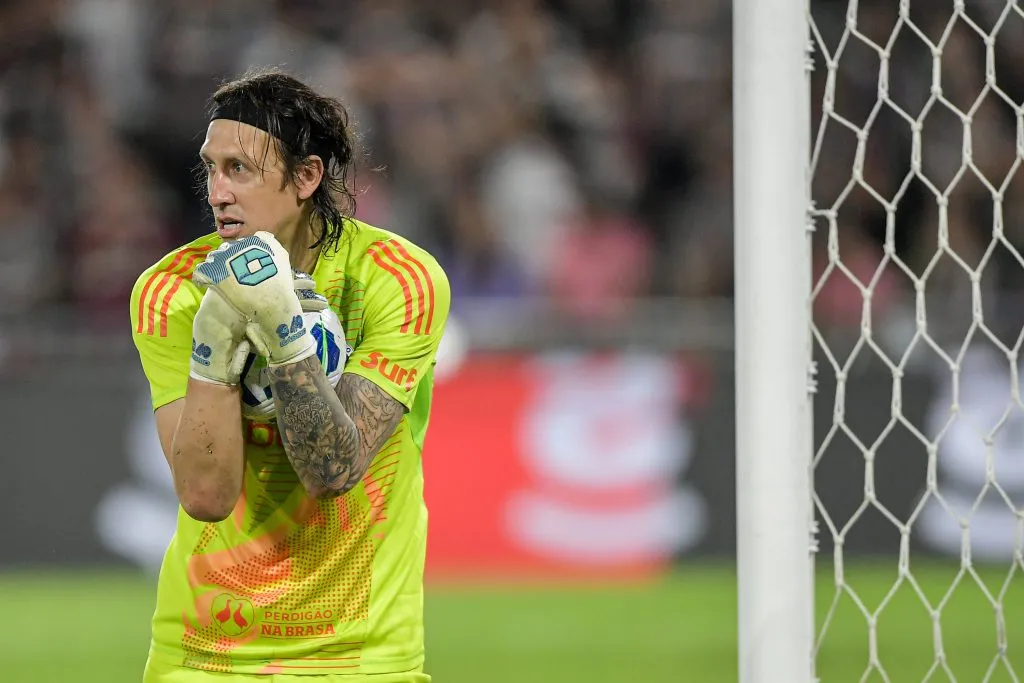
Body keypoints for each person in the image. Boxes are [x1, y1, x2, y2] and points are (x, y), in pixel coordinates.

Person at [129, 68, 450, 683]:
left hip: (363, 656)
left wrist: (283, 332)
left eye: (240, 170)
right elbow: (205, 496)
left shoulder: (398, 280)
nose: (217, 192)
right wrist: (212, 351)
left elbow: (333, 470)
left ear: (306, 177)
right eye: (211, 168)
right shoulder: (171, 292)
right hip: (204, 656)